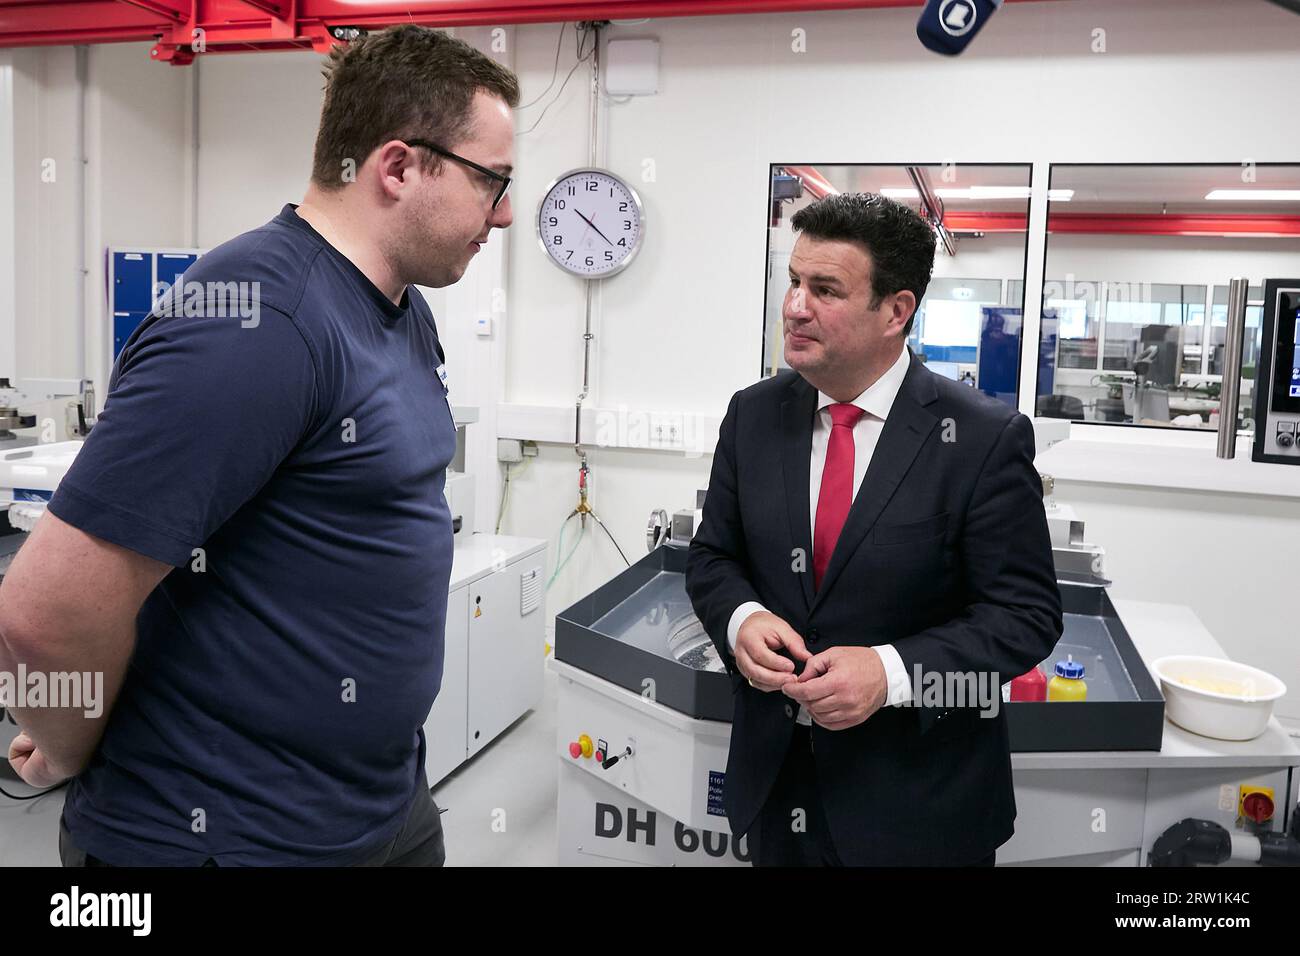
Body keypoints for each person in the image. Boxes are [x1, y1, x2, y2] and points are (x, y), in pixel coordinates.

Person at [0, 24, 518, 866]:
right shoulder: (259, 322)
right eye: (491, 180)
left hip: (377, 805)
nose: (502, 211)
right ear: (396, 167)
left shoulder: (400, 308)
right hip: (226, 833)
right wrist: (65, 742)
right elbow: (42, 612)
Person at [685, 192, 1062, 867]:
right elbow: (714, 557)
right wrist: (741, 619)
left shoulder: (980, 438)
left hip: (918, 807)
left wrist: (891, 673)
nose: (795, 307)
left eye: (824, 289)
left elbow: (1026, 616)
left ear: (896, 311)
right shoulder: (753, 415)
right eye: (795, 283)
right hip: (777, 787)